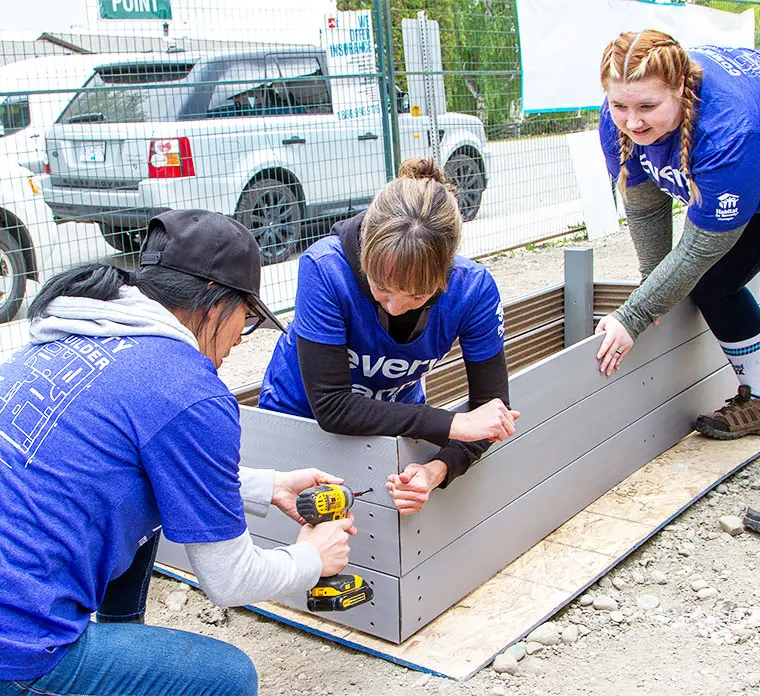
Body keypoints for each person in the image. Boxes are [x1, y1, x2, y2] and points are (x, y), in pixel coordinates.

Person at [0, 210, 355, 696]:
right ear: (215, 301)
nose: (237, 339)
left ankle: (122, 645)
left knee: (149, 505)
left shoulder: (74, 334)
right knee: (228, 677)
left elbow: (136, 464)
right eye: (246, 319)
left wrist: (268, 486)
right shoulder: (188, 389)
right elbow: (230, 581)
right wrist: (312, 558)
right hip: (17, 650)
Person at [594, 30, 760, 537]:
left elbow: (703, 244)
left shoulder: (732, 127)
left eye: (647, 105)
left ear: (681, 91)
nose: (632, 120)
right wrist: (653, 284)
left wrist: (635, 314)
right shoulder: (620, 120)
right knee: (709, 285)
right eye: (620, 105)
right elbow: (645, 206)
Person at [259, 158, 520, 514]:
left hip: (392, 417)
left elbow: (490, 412)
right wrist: (451, 423)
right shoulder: (325, 269)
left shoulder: (472, 289)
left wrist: (436, 470)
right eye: (381, 289)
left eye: (417, 296)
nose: (397, 308)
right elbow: (333, 407)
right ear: (366, 255)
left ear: (447, 273)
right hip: (299, 419)